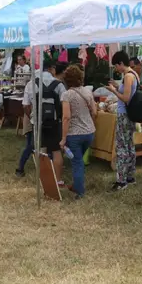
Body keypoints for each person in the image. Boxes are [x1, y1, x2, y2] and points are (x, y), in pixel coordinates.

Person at [15, 60, 66, 182]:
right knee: (56, 151)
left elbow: (26, 105)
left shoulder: (31, 84)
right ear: (51, 69)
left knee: (38, 150)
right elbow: (65, 105)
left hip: (37, 123)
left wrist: (33, 117)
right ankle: (57, 180)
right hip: (54, 122)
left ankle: (44, 178)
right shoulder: (59, 84)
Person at [60, 65, 97, 199]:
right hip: (89, 132)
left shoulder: (66, 95)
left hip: (74, 134)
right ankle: (77, 184)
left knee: (77, 162)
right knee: (79, 160)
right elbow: (94, 111)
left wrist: (63, 138)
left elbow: (66, 117)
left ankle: (79, 191)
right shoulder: (87, 92)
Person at [106, 51, 139, 191]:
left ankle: (121, 180)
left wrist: (113, 90)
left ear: (121, 63)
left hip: (124, 115)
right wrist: (116, 85)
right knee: (129, 145)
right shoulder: (135, 74)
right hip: (131, 115)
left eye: (116, 65)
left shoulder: (127, 76)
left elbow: (125, 98)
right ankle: (130, 176)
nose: (116, 68)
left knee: (121, 147)